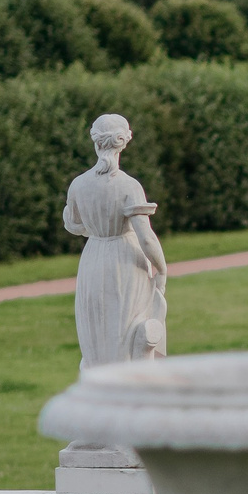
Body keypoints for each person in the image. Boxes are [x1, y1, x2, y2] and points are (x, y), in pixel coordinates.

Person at [62, 113, 169, 369]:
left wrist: (97, 227)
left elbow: (72, 225)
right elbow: (146, 237)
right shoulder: (128, 186)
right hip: (124, 260)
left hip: (93, 257)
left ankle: (101, 387)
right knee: (126, 331)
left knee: (97, 331)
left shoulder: (79, 184)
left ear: (96, 142)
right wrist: (162, 269)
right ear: (124, 142)